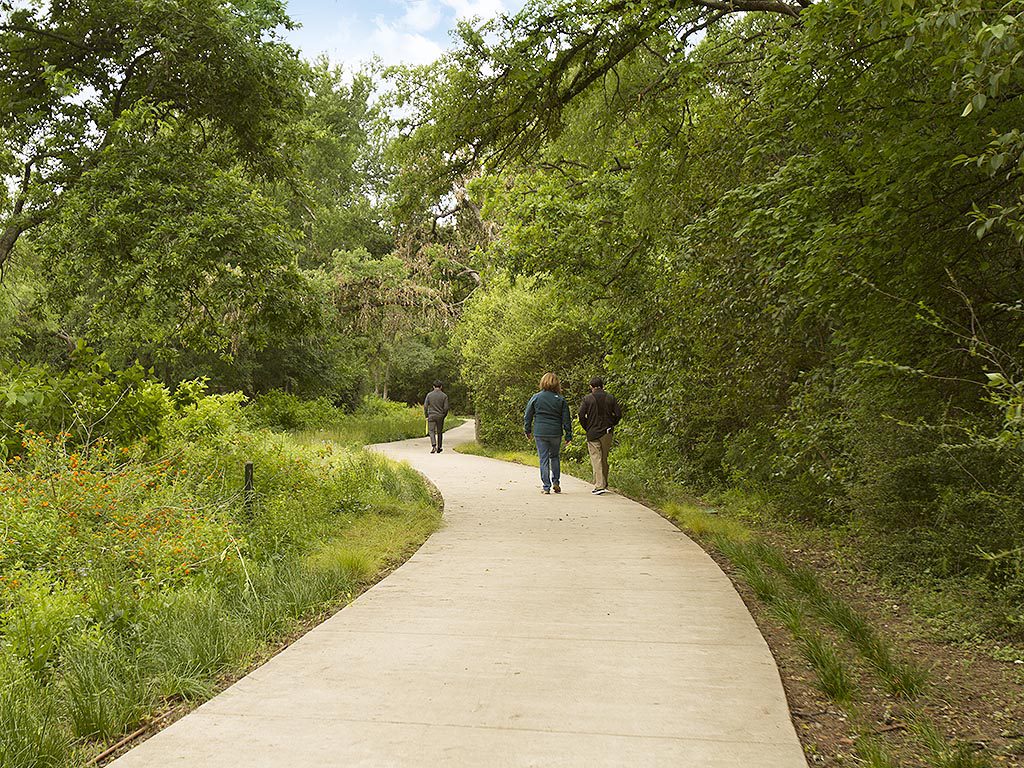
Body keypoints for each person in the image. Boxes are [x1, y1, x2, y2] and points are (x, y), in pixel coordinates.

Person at [523, 373, 572, 494]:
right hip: (555, 432)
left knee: (543, 459)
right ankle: (556, 482)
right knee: (554, 457)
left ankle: (546, 486)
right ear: (557, 384)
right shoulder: (561, 399)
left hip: (540, 432)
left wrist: (527, 430)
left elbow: (528, 415)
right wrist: (568, 434)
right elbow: (566, 419)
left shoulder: (536, 397)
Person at [577, 376, 621, 495]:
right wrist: (612, 423)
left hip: (592, 432)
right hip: (607, 432)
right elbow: (618, 414)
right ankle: (604, 483)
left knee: (596, 458)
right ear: (602, 386)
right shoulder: (610, 398)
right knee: (604, 458)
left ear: (591, 387)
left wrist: (587, 427)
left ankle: (599, 485)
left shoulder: (587, 399)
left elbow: (581, 415)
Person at [424, 380, 449, 453]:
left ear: (433, 386)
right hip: (440, 415)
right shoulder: (444, 396)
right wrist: (444, 415)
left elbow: (425, 406)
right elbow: (446, 408)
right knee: (439, 432)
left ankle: (433, 446)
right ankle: (439, 447)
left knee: (431, 431)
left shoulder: (429, 395)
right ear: (441, 387)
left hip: (431, 415)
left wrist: (426, 415)